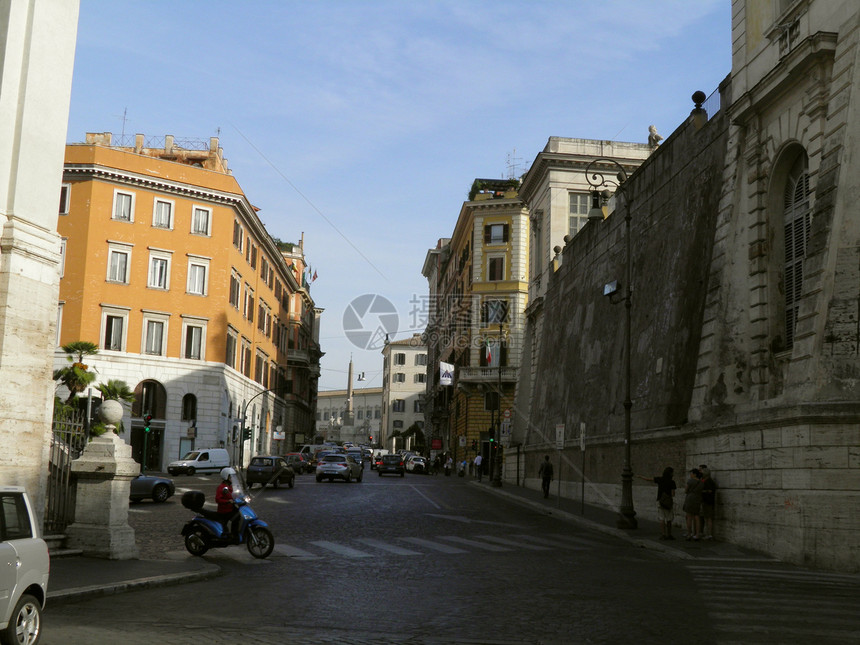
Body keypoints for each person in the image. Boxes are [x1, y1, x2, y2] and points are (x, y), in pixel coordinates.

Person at [636, 467, 677, 540]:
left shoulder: (660, 479)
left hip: (660, 500)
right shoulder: (672, 482)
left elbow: (649, 479)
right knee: (669, 519)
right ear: (670, 473)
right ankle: (669, 534)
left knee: (661, 518)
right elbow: (673, 494)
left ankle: (663, 534)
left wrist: (641, 477)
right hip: (668, 502)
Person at [216, 467, 240, 542]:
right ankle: (233, 535)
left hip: (230, 508)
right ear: (226, 477)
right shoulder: (221, 487)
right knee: (236, 518)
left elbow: (235, 494)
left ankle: (236, 534)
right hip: (224, 510)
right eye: (231, 477)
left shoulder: (230, 486)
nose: (232, 478)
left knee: (238, 515)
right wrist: (227, 501)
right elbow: (218, 499)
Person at [683, 468, 704, 540]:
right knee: (697, 516)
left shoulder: (690, 481)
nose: (690, 475)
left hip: (690, 498)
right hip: (698, 499)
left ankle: (689, 533)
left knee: (689, 516)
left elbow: (686, 490)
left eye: (691, 473)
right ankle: (697, 534)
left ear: (694, 474)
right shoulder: (701, 483)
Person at [700, 467, 717, 540]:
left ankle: (709, 534)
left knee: (708, 518)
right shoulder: (706, 481)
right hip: (706, 502)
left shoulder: (709, 481)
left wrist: (702, 491)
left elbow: (710, 491)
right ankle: (708, 534)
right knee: (706, 518)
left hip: (708, 502)